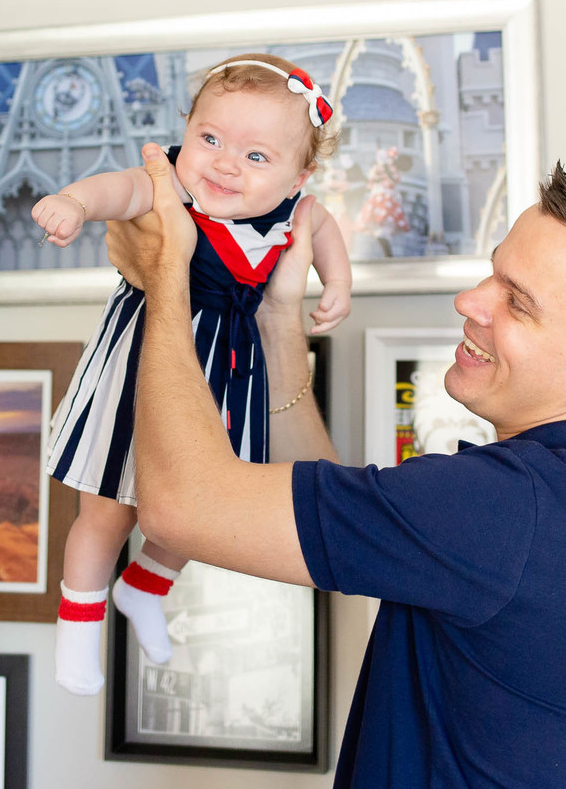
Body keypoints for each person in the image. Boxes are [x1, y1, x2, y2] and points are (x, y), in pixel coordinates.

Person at [106, 147, 566, 787]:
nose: (469, 301)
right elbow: (333, 527)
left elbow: (179, 507)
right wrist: (276, 321)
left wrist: (166, 278)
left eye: (517, 303)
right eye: (492, 275)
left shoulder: (513, 507)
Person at [31, 54, 351, 695]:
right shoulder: (169, 186)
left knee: (208, 508)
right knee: (106, 510)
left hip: (227, 372)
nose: (226, 164)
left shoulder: (296, 210)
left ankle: (145, 585)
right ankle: (76, 625)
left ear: (299, 172)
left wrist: (337, 282)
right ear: (188, 129)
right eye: (210, 139)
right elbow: (117, 190)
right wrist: (73, 201)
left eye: (257, 156)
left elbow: (324, 231)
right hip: (140, 363)